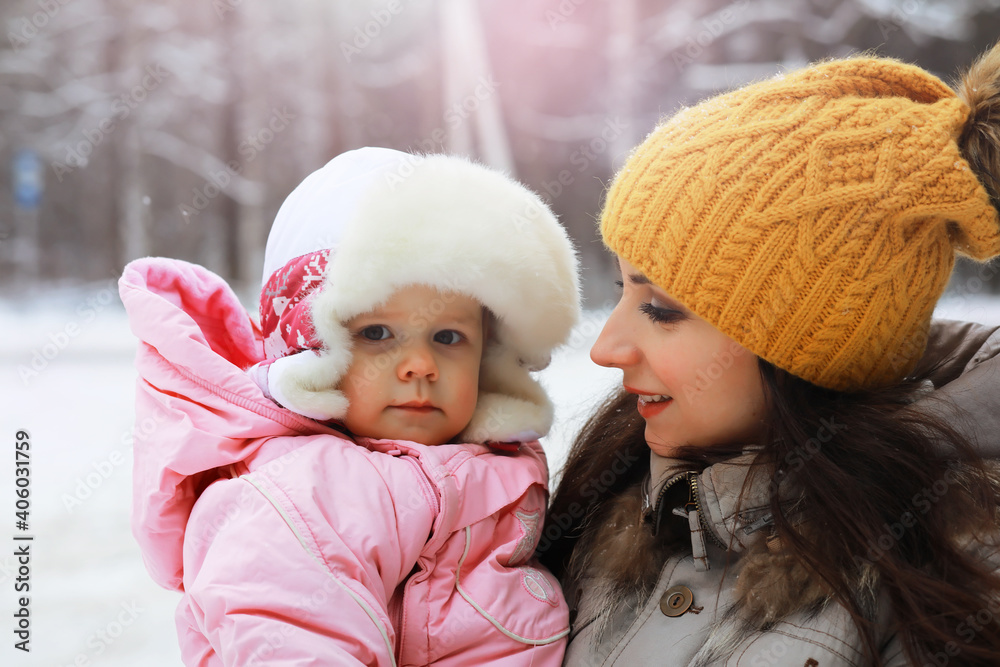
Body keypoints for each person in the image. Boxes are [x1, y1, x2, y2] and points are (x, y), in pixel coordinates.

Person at [542, 45, 1000, 666]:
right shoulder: (597, 512)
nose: (605, 349)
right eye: (623, 290)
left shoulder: (950, 574)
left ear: (812, 351)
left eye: (663, 309)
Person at [119, 147, 580, 665]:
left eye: (448, 336)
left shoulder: (497, 469)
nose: (420, 365)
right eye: (377, 334)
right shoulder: (300, 497)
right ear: (310, 351)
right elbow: (292, 636)